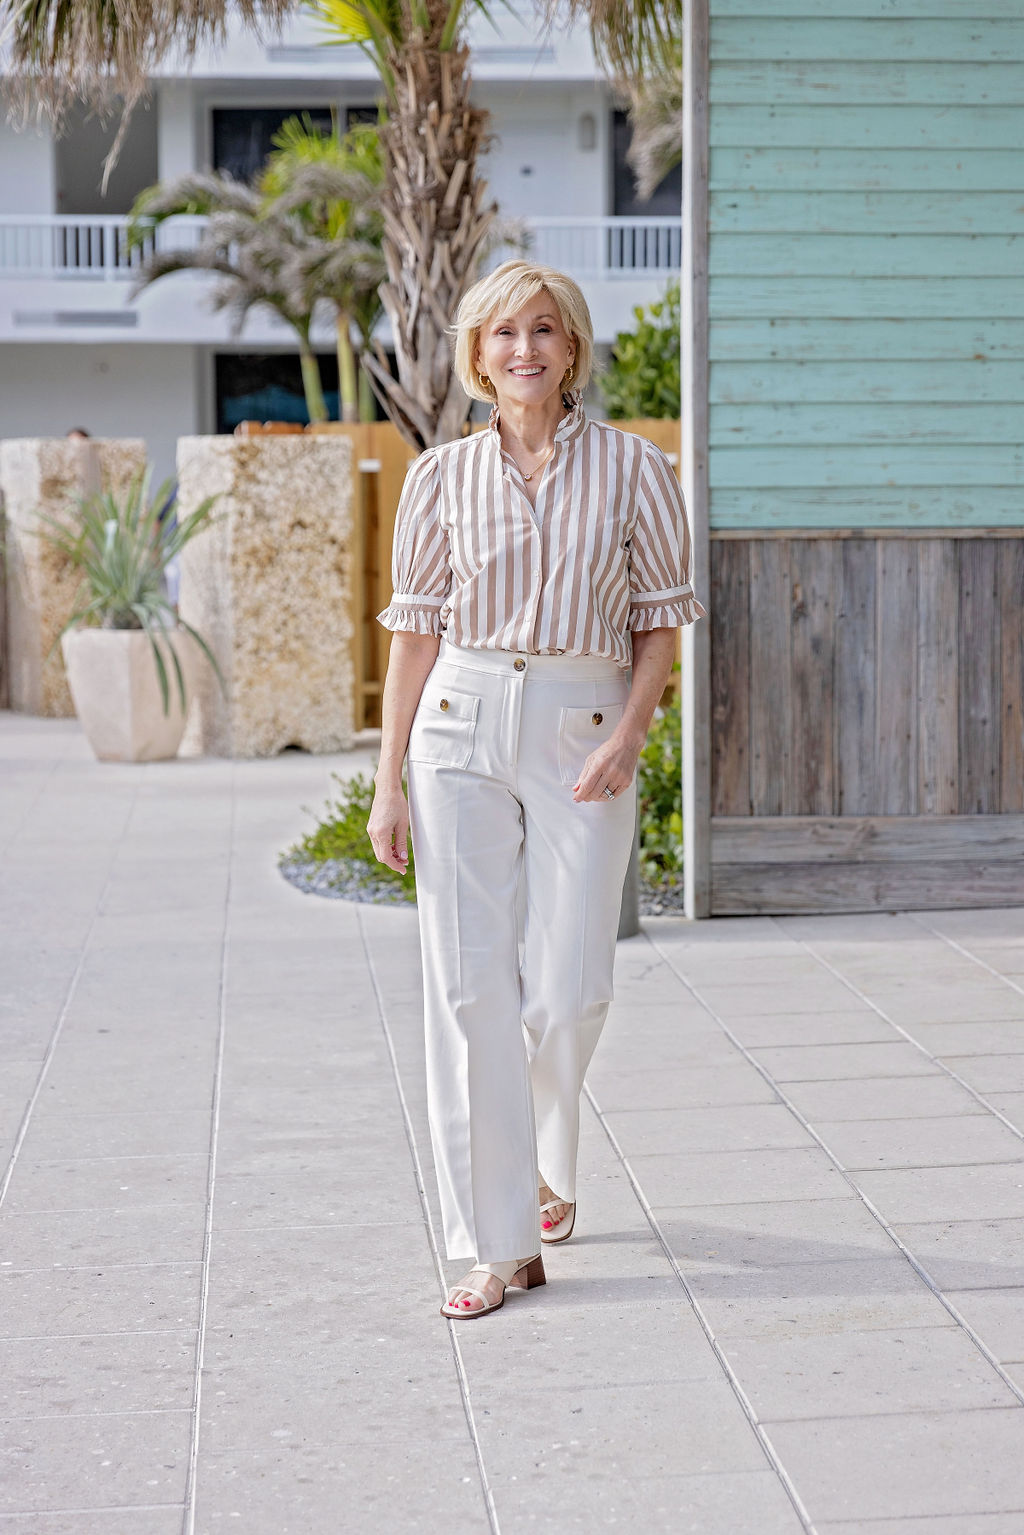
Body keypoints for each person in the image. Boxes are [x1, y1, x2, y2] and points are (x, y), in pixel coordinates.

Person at [368, 260, 706, 1320]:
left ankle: (549, 1152)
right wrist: (389, 781)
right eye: (503, 333)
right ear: (477, 353)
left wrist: (633, 730)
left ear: (572, 348)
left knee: (570, 989)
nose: (524, 349)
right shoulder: (437, 479)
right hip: (460, 723)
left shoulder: (636, 470)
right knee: (470, 994)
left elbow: (661, 618)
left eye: (544, 330)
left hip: (583, 726)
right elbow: (415, 633)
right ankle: (498, 1243)